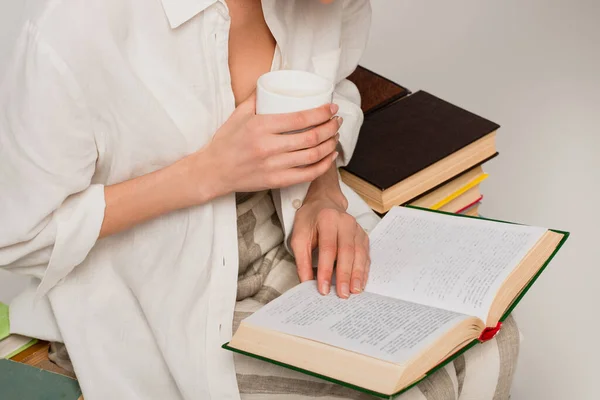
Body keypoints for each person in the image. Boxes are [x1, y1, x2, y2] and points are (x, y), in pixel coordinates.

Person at [0, 1, 521, 399]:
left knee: (483, 341)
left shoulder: (325, 3)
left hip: (286, 250)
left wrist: (323, 196)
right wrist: (205, 173)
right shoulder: (78, 26)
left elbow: (334, 89)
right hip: (153, 291)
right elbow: (20, 237)